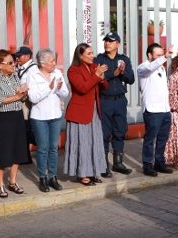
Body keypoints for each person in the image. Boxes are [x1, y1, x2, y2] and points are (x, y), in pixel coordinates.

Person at [0, 49, 30, 198]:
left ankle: (13, 181)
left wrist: (23, 93)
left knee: (19, 148)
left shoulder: (14, 75)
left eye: (14, 62)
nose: (13, 65)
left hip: (17, 114)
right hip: (3, 117)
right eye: (10, 63)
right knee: (3, 150)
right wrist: (17, 96)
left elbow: (21, 97)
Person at [26, 48, 70, 192]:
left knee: (53, 148)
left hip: (55, 115)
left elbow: (65, 92)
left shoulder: (57, 73)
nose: (54, 63)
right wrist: (48, 87)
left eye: (54, 60)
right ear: (42, 63)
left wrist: (57, 88)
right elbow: (33, 97)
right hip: (39, 117)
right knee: (43, 148)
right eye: (51, 61)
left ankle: (53, 176)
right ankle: (42, 177)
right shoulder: (32, 74)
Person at [66, 43, 109, 186]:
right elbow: (82, 88)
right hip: (80, 112)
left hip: (94, 111)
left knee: (95, 142)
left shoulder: (93, 67)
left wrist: (101, 78)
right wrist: (97, 76)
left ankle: (95, 171)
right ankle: (82, 174)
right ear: (80, 55)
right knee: (83, 143)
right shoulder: (73, 70)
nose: (93, 56)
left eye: (92, 53)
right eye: (89, 53)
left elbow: (104, 86)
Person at [93, 32, 135, 177]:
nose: (107, 44)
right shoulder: (98, 59)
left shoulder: (124, 59)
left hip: (120, 100)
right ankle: (103, 165)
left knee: (120, 131)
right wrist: (114, 73)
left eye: (110, 41)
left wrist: (122, 72)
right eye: (106, 41)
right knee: (104, 133)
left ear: (117, 43)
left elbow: (131, 79)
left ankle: (118, 162)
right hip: (105, 100)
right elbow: (97, 78)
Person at [137, 43, 174, 176]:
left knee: (163, 138)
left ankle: (159, 162)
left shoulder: (162, 69)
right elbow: (151, 67)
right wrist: (164, 57)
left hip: (164, 109)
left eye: (161, 55)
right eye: (157, 55)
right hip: (152, 110)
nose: (161, 58)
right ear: (149, 55)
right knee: (150, 139)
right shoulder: (143, 67)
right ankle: (147, 165)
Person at [13, 45, 37, 158]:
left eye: (19, 56)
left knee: (26, 128)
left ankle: (40, 146)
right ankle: (25, 155)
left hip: (28, 102)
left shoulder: (33, 69)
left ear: (27, 56)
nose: (17, 58)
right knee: (23, 128)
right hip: (21, 101)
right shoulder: (21, 67)